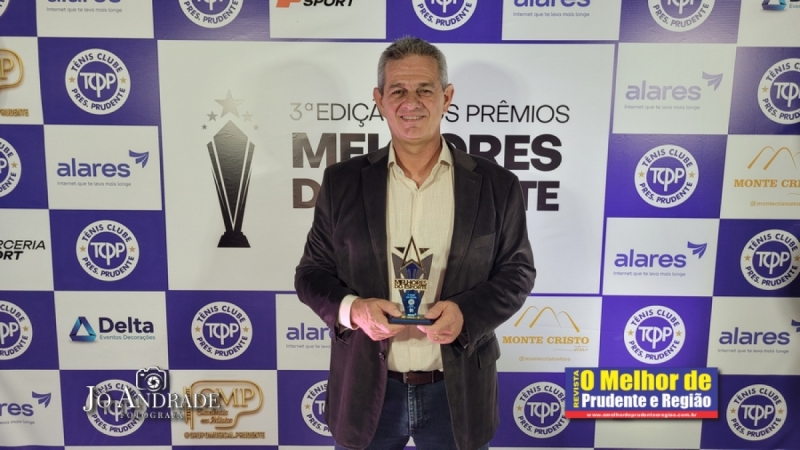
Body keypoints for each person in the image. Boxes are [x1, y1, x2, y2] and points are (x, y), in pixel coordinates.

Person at [295, 36, 536, 450]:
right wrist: (355, 310)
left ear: (447, 97)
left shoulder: (497, 185)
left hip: (457, 392)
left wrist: (466, 314)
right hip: (367, 389)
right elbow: (311, 274)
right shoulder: (342, 182)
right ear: (379, 100)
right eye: (398, 91)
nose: (412, 102)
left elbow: (517, 273)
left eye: (425, 89)